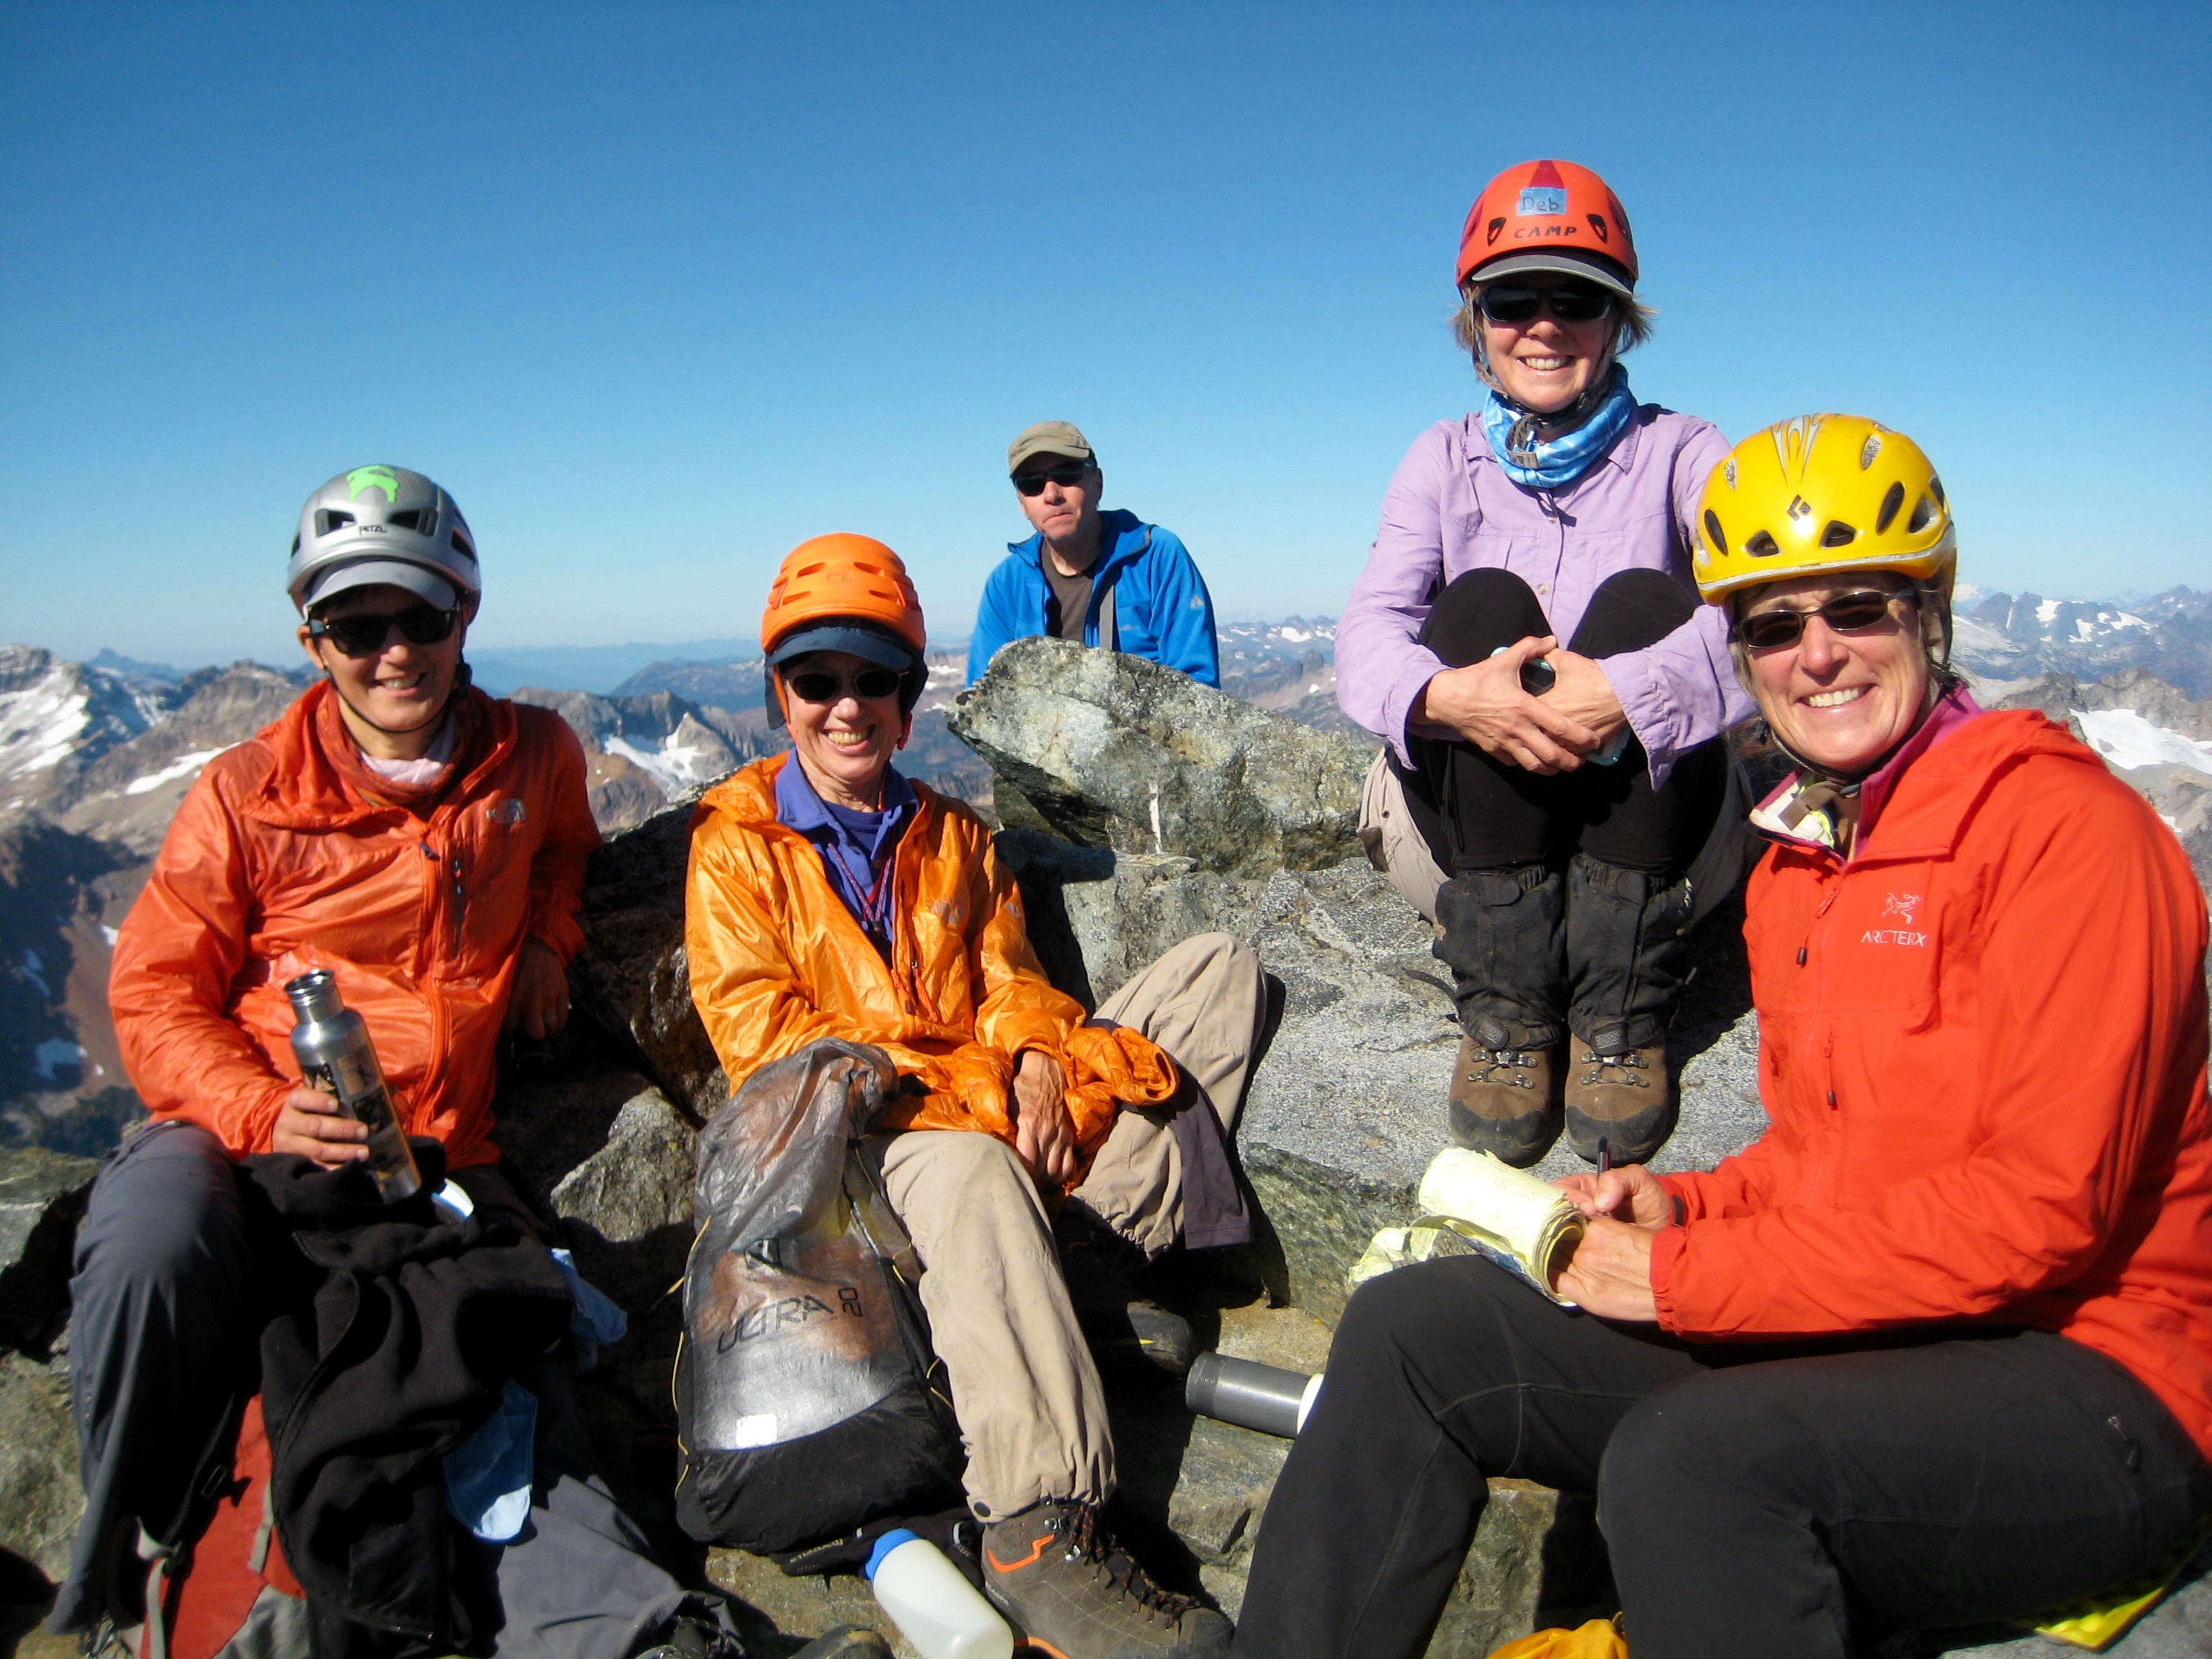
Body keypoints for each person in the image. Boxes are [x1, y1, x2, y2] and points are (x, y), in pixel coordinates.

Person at [1230, 415, 2212, 1658]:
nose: (1816, 655)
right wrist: (1683, 1208)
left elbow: (2041, 1214)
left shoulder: (2065, 835)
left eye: (1856, 606)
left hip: (2097, 1390)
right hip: (1877, 1335)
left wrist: (1685, 1278)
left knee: (1690, 1461)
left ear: (1930, 610)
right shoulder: (1810, 851)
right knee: (1418, 1329)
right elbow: (1823, 1163)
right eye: (1767, 623)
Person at [57, 467, 876, 1659]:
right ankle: (125, 1544)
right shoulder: (244, 795)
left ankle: (639, 1632)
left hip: (435, 1156)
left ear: (465, 616)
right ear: (312, 639)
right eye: (356, 626)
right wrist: (259, 1107)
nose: (394, 653)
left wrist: (550, 931)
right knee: (147, 1244)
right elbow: (155, 991)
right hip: (245, 1133)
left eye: (421, 618)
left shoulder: (532, 752)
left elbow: (563, 848)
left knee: (486, 1362)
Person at [688, 534, 1267, 1658]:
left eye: (877, 681)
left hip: (988, 1117)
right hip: (863, 1154)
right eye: (819, 682)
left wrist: (1043, 1058)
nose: (847, 707)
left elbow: (1011, 979)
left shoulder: (952, 835)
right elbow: (775, 1050)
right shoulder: (734, 852)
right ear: (780, 698)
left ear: (910, 702)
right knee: (970, 1163)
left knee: (1218, 976)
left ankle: (1074, 1283)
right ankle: (1039, 1534)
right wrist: (991, 1093)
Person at [1335, 159, 1753, 1168]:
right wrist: (1448, 696)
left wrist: (1630, 686)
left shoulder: (1685, 450)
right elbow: (1366, 639)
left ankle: (1618, 1012)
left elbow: (1763, 618)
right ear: (1477, 323)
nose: (1545, 324)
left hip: (1647, 831)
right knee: (1479, 606)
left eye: (1579, 298)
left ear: (1617, 321)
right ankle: (1511, 1011)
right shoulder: (1441, 459)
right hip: (1479, 836)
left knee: (1649, 606)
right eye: (1514, 299)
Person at [966, 421, 1223, 686]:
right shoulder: (1007, 583)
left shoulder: (1156, 556)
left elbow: (1197, 686)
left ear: (1097, 483)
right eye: (1032, 484)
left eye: (1067, 474)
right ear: (1022, 504)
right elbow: (984, 695)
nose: (1052, 494)